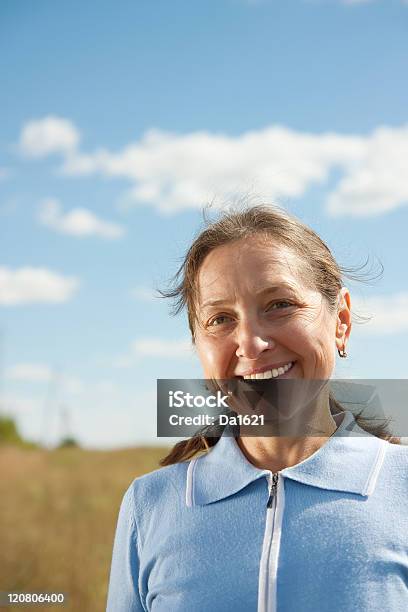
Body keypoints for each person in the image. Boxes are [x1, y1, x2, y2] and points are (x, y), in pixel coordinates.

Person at [106, 205, 407, 612]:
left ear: (341, 321)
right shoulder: (150, 505)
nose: (250, 343)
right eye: (220, 318)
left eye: (280, 304)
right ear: (198, 344)